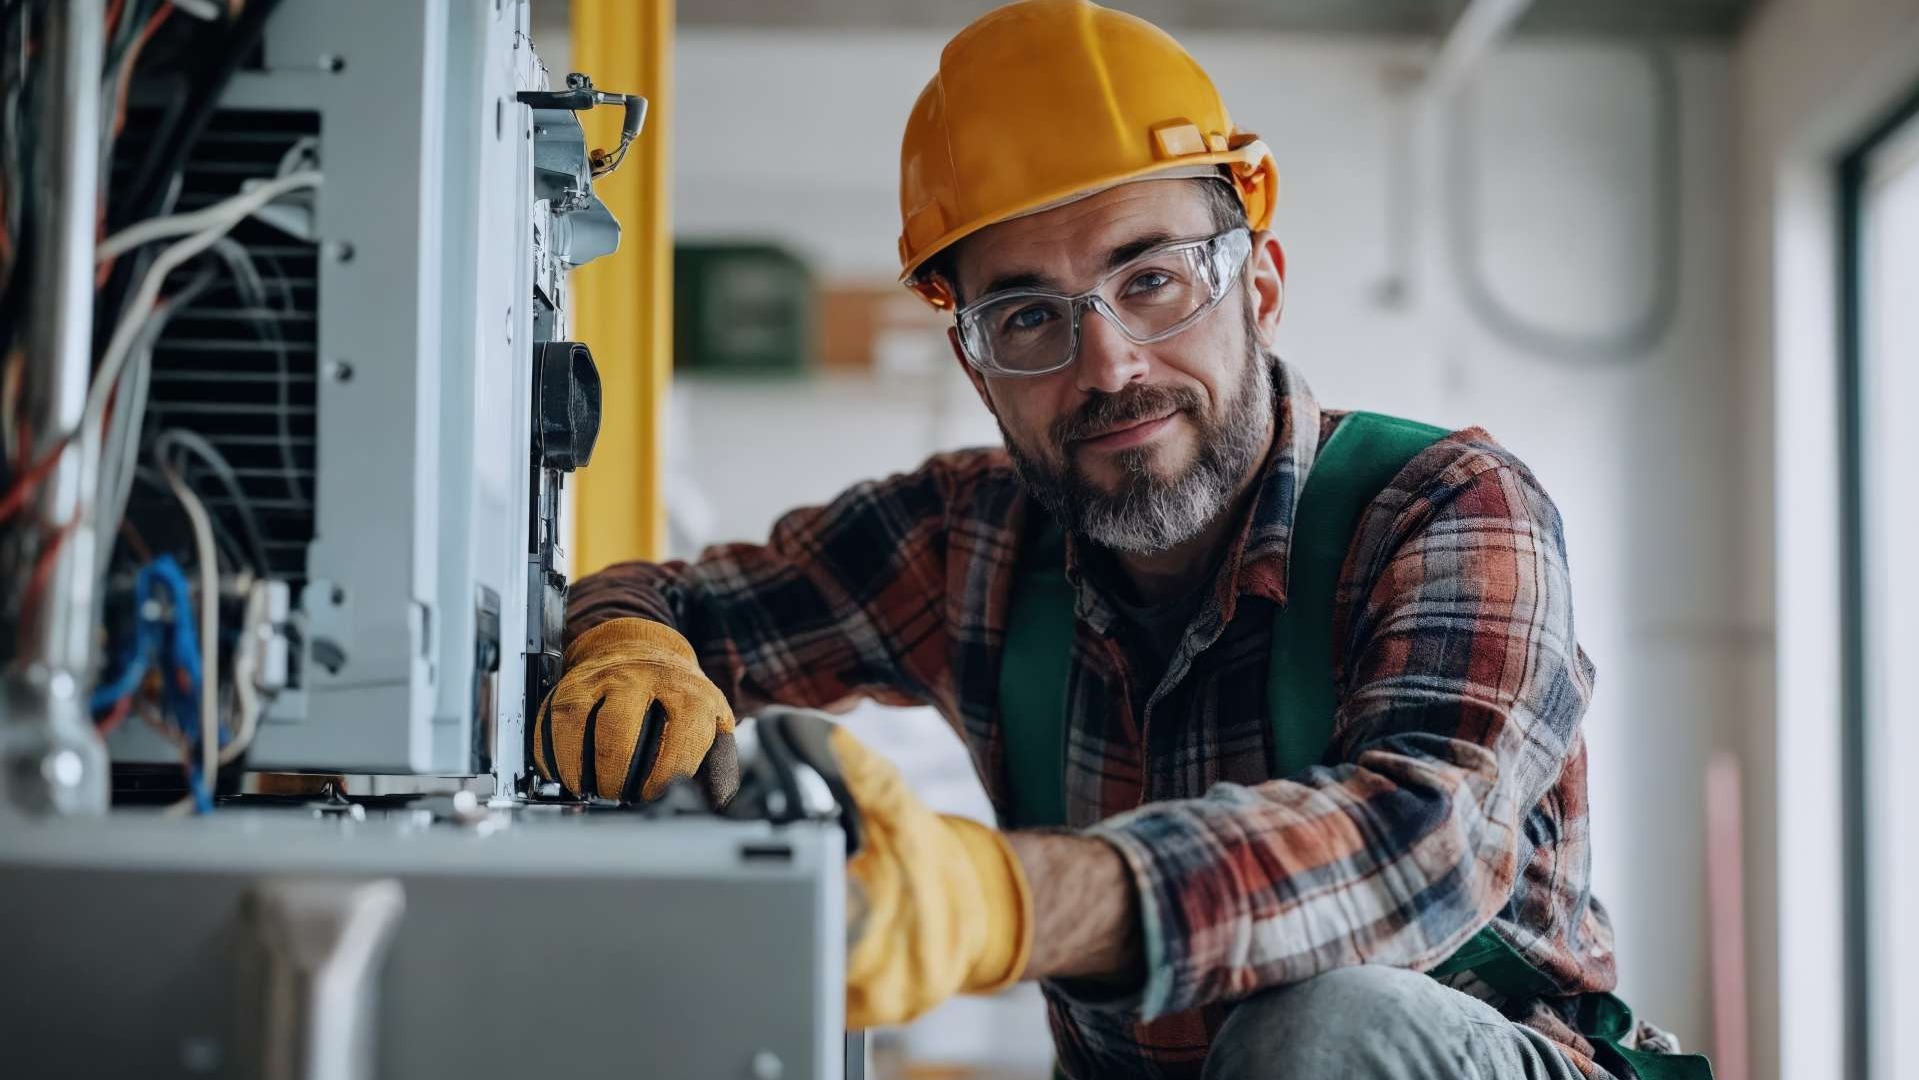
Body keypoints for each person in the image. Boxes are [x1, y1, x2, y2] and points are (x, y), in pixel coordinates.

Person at [535, 3, 1703, 1078]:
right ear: (974, 366)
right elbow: (671, 605)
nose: (1108, 367)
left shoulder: (1446, 509)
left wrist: (1012, 901)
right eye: (1029, 316)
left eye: (1151, 281)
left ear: (1261, 286)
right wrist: (633, 644)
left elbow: (1420, 842)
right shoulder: (967, 541)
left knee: (1323, 1029)